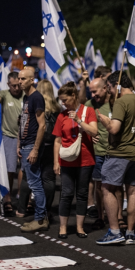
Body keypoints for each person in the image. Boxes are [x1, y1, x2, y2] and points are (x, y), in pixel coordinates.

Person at [96, 72, 135, 245]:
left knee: (107, 188)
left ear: (116, 85)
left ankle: (114, 231)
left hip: (121, 152)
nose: (109, 92)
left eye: (110, 88)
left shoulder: (121, 101)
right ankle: (130, 233)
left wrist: (105, 121)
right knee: (133, 190)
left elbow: (114, 129)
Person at [53, 82, 98, 238]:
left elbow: (94, 131)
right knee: (66, 193)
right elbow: (57, 140)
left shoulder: (88, 111)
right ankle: (63, 228)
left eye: (65, 100)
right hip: (66, 159)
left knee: (82, 193)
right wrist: (56, 162)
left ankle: (80, 227)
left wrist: (79, 120)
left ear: (73, 96)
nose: (63, 103)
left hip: (85, 159)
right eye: (61, 100)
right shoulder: (61, 115)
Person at [17, 67, 48, 232]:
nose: (19, 81)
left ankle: (40, 219)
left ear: (31, 80)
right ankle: (40, 218)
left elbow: (42, 125)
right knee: (33, 182)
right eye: (19, 78)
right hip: (26, 144)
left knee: (35, 184)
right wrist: (19, 144)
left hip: (31, 145)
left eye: (23, 79)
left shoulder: (36, 97)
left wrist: (35, 149)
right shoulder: (26, 98)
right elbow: (23, 122)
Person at [0, 72, 24, 216]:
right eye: (13, 85)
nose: (16, 88)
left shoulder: (25, 95)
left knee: (24, 168)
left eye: (18, 85)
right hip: (8, 136)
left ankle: (22, 196)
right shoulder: (4, 94)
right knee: (9, 169)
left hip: (25, 137)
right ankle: (7, 197)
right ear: (8, 85)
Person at [86, 77, 112, 230]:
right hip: (98, 153)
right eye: (91, 92)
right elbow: (80, 123)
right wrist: (89, 133)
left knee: (114, 186)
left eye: (95, 91)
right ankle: (101, 217)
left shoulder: (115, 103)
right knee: (98, 185)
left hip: (114, 152)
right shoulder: (89, 105)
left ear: (104, 89)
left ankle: (115, 217)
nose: (93, 95)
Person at [35, 79, 60, 218]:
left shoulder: (37, 107)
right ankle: (47, 208)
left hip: (38, 145)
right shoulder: (58, 109)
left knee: (34, 177)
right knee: (49, 179)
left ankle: (37, 207)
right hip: (53, 145)